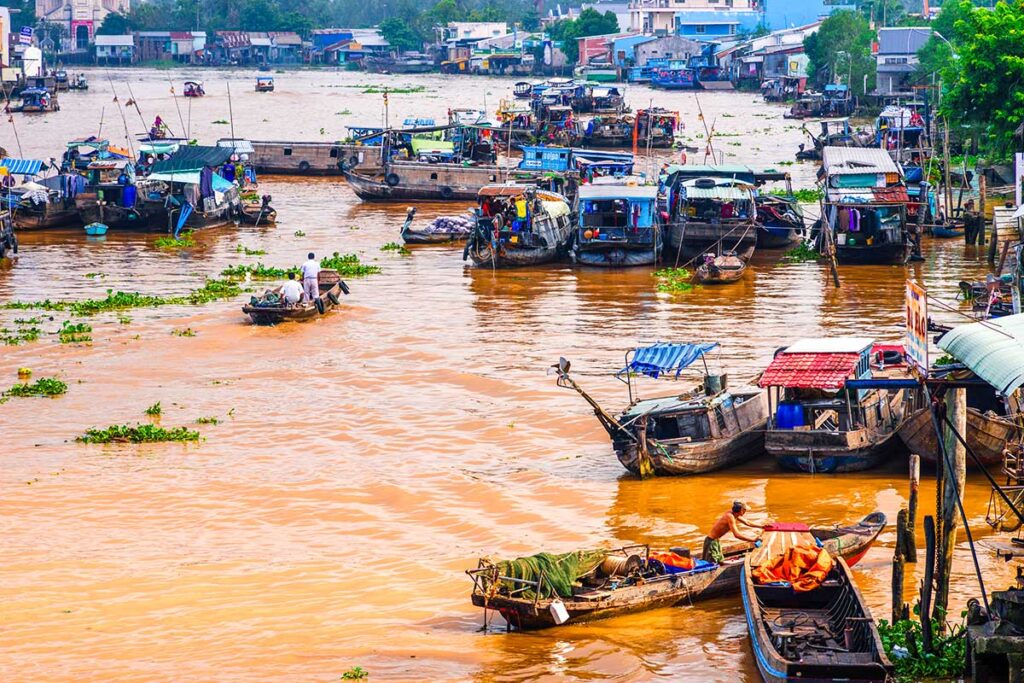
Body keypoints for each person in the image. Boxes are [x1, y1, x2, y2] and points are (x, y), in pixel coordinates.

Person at [702, 501, 766, 564]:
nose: (745, 512)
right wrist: (753, 539)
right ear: (741, 510)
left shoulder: (734, 514)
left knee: (720, 561)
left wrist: (762, 526)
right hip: (711, 542)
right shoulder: (730, 517)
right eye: (744, 510)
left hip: (716, 541)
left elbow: (747, 522)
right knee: (712, 564)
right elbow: (737, 535)